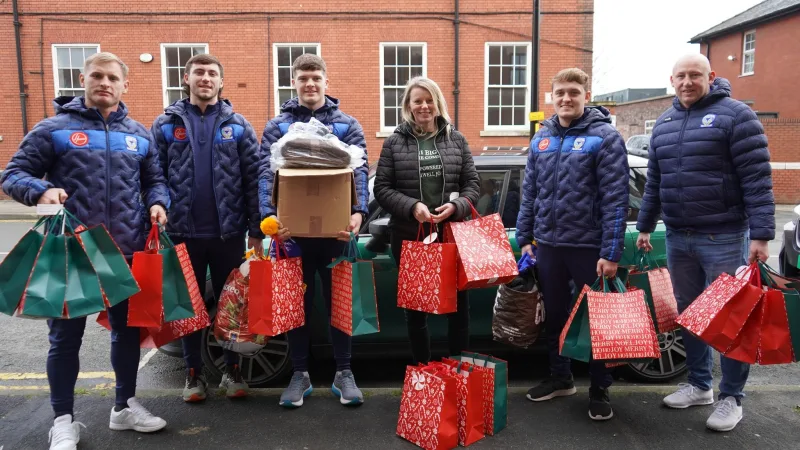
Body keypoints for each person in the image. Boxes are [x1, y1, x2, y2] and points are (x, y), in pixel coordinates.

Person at [1, 52, 169, 449]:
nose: (105, 82)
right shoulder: (54, 129)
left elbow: (155, 181)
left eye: (113, 77)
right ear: (83, 79)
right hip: (71, 253)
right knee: (65, 340)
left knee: (127, 335)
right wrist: (40, 189)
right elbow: (13, 175)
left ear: (126, 85)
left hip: (124, 252)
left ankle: (124, 407)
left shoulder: (139, 134)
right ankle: (63, 421)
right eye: (97, 75)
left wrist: (159, 203)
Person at [636, 54, 774, 432]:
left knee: (731, 319)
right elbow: (656, 185)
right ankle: (699, 385)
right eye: (680, 76)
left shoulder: (736, 116)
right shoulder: (664, 124)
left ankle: (732, 397)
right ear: (671, 79)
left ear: (710, 77)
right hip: (680, 237)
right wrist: (645, 225)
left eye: (694, 75)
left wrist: (761, 235)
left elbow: (757, 178)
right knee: (691, 315)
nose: (686, 82)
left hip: (726, 236)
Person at [516, 68, 629, 421]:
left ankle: (599, 388)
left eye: (573, 92)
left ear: (585, 95)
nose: (566, 98)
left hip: (588, 248)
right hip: (548, 246)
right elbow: (529, 193)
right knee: (555, 317)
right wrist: (524, 238)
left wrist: (610, 253)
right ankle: (560, 378)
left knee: (596, 321)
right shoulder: (541, 139)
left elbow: (616, 198)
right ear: (551, 96)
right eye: (560, 92)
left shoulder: (605, 137)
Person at [151, 53, 264, 402]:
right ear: (186, 79)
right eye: (198, 72)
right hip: (182, 233)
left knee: (232, 305)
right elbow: (153, 175)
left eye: (212, 73)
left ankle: (232, 372)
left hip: (228, 234)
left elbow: (254, 178)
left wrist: (256, 229)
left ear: (220, 81)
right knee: (188, 308)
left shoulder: (239, 125)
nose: (205, 78)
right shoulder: (165, 124)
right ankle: (193, 375)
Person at [258, 54, 369, 408]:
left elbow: (360, 173)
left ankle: (344, 372)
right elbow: (266, 174)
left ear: (325, 81)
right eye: (304, 78)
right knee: (296, 306)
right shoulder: (278, 126)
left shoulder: (347, 125)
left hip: (336, 234)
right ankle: (299, 374)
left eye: (316, 78)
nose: (310, 84)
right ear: (294, 82)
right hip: (293, 235)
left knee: (341, 304)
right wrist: (268, 217)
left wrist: (358, 212)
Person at [373, 76, 480, 366]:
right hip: (410, 235)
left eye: (429, 99)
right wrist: (412, 206)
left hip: (451, 236)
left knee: (458, 310)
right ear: (408, 105)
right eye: (417, 100)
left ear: (438, 103)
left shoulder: (455, 139)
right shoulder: (395, 142)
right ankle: (424, 372)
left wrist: (456, 206)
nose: (424, 105)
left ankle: (458, 373)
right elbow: (381, 188)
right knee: (416, 310)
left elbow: (472, 184)